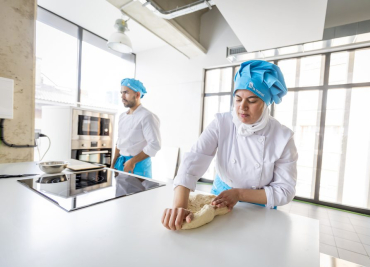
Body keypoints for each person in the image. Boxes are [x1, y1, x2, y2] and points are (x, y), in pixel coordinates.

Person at [161, 60, 298, 230]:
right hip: (220, 197)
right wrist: (179, 207)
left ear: (266, 103)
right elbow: (193, 161)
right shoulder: (222, 123)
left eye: (252, 100)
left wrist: (240, 194)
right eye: (238, 99)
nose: (242, 107)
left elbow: (285, 191)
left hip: (259, 203)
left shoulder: (282, 137)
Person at [111, 78, 161, 178]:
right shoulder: (122, 116)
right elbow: (119, 142)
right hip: (120, 164)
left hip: (138, 166)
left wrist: (132, 161)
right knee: (120, 193)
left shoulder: (147, 116)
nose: (122, 96)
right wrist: (113, 164)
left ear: (137, 95)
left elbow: (155, 144)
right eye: (121, 93)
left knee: (138, 193)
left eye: (126, 92)